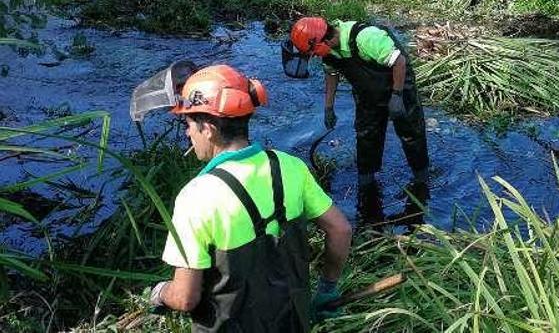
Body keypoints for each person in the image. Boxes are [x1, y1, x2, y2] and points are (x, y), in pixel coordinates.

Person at [148, 64, 352, 332]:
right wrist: (327, 288)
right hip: (293, 322)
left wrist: (161, 293)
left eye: (188, 124)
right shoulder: (291, 167)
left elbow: (186, 298)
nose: (188, 133)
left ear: (208, 128)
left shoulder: (195, 197)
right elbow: (341, 229)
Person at [289, 17, 430, 221]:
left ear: (323, 42)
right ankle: (366, 184)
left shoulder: (366, 38)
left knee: (411, 133)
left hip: (397, 84)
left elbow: (399, 61)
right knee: (366, 136)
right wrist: (328, 107)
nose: (315, 57)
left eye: (313, 52)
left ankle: (422, 180)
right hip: (367, 94)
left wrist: (397, 96)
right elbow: (332, 73)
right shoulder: (330, 52)